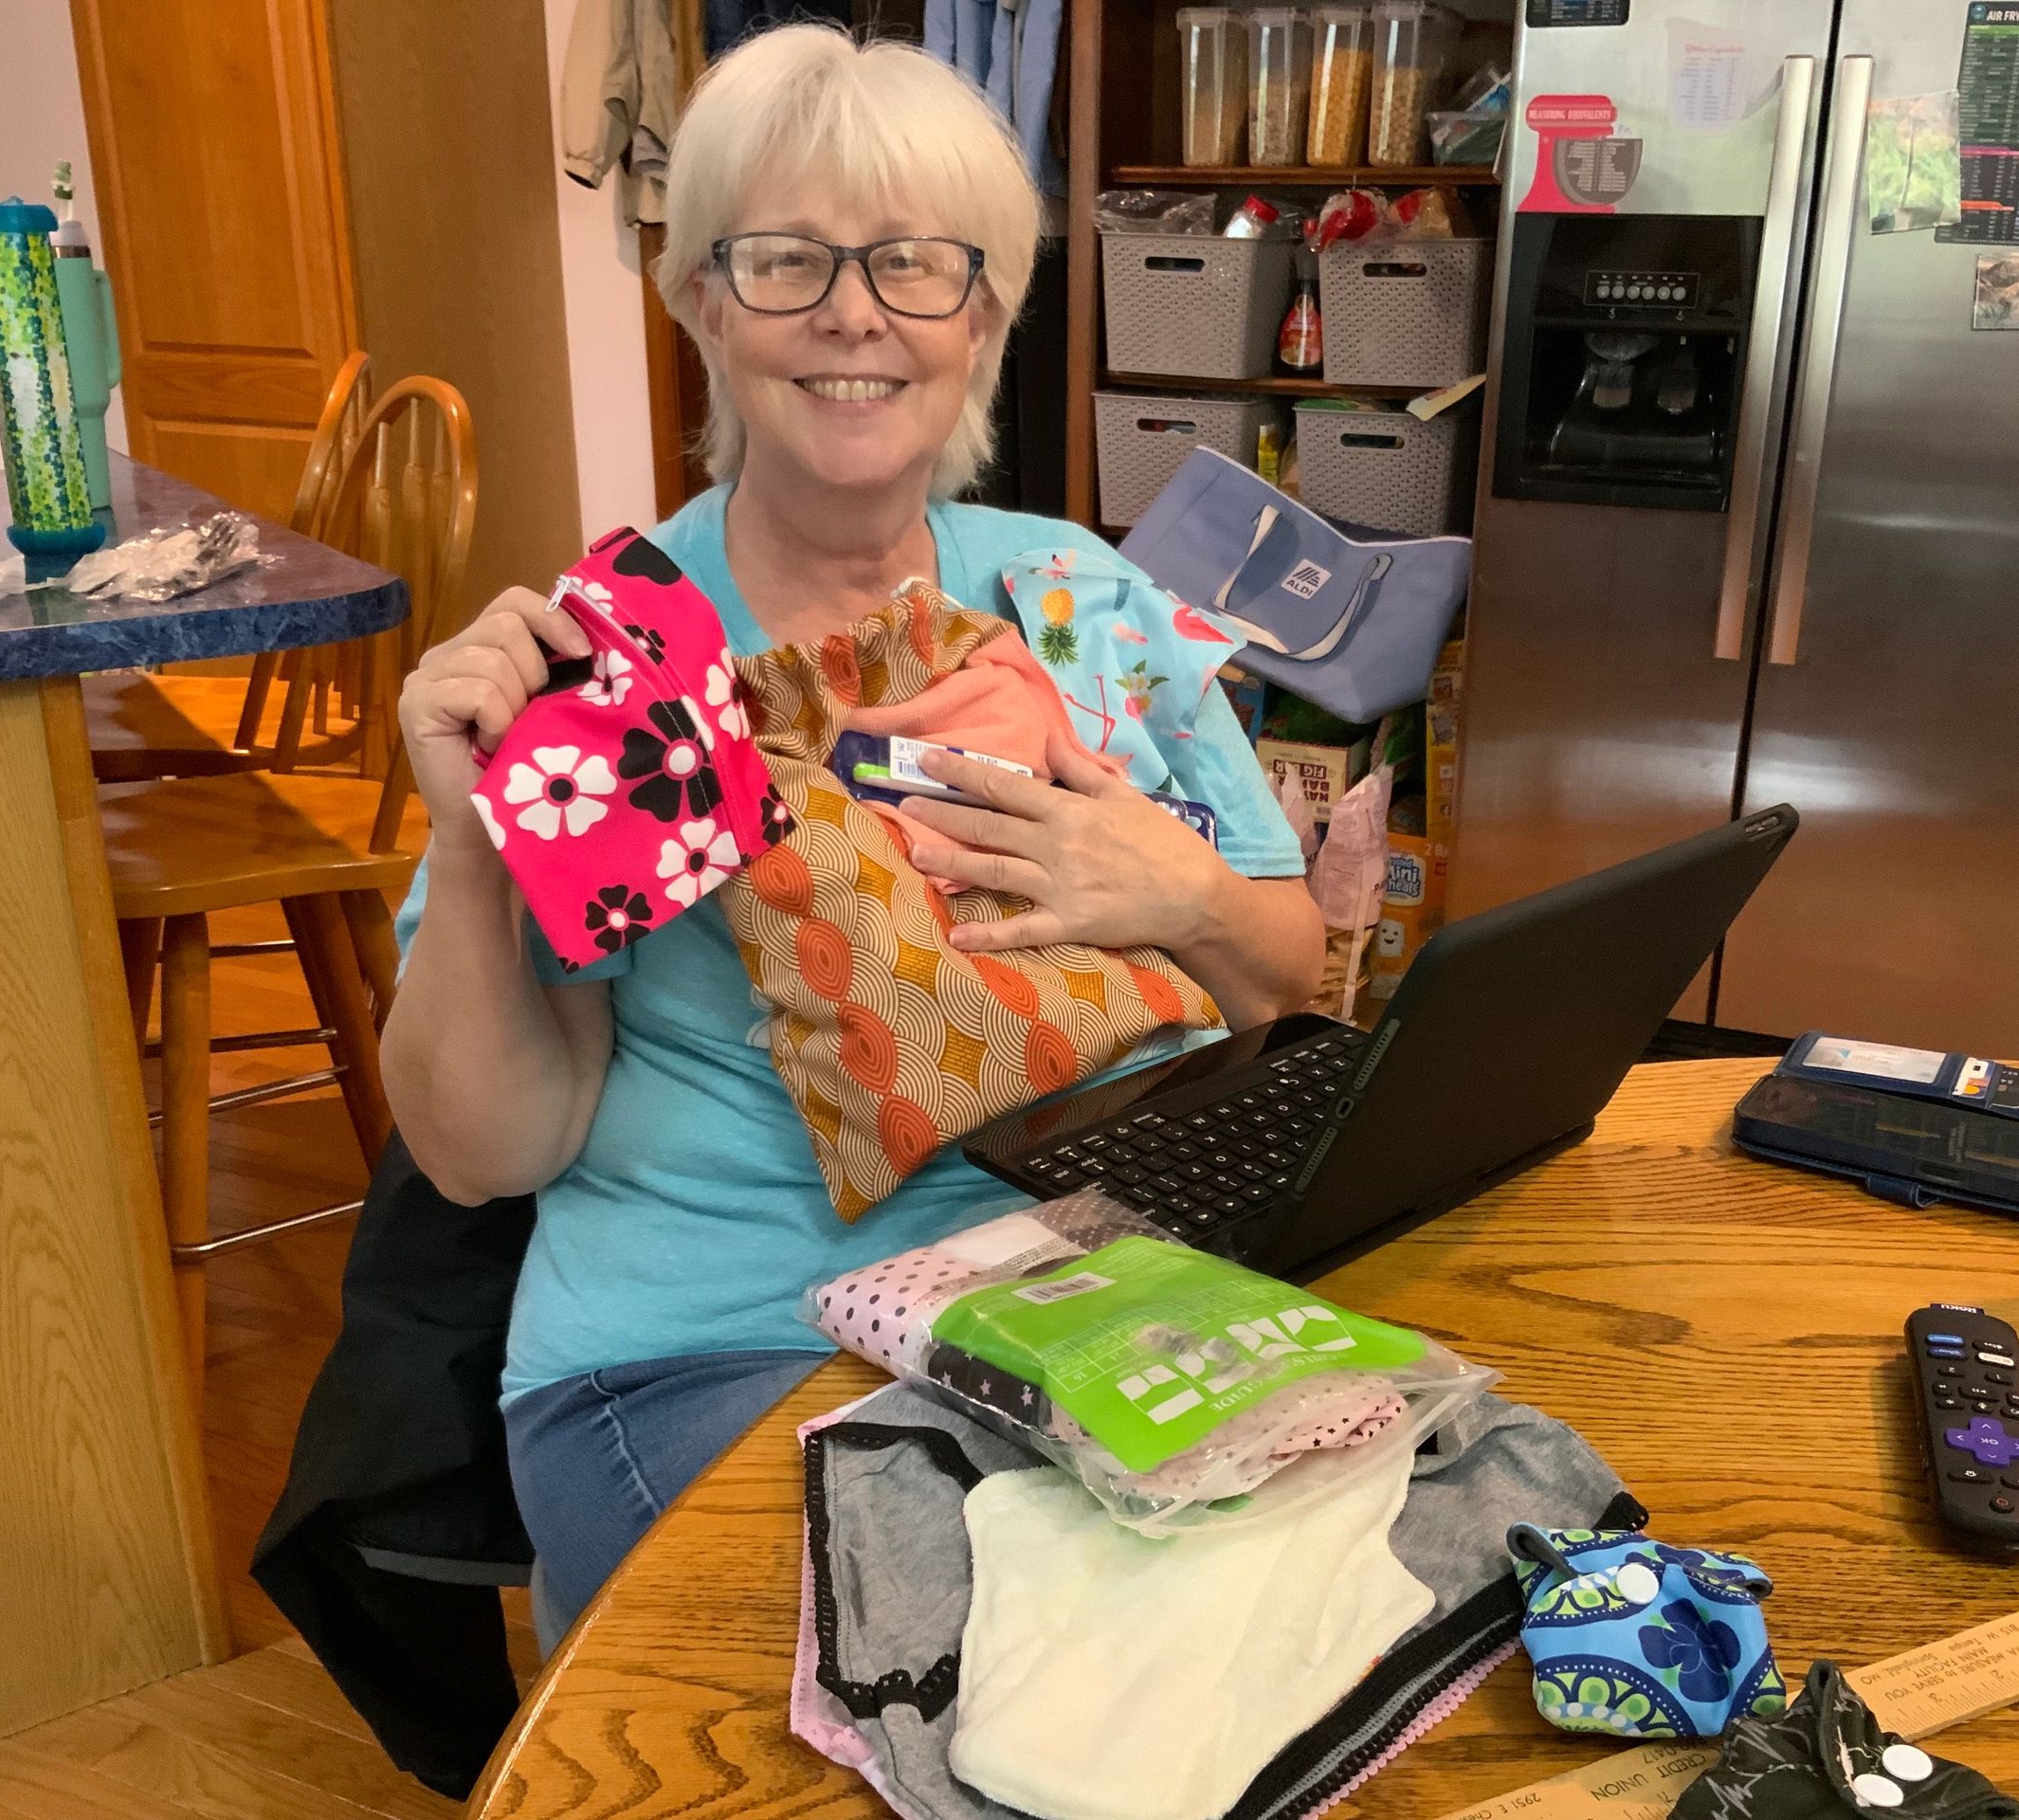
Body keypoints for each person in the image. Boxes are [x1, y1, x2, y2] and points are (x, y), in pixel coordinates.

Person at [380, 24, 1325, 1642]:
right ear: (699, 306)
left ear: (986, 315)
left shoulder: (1073, 597)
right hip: (711, 1340)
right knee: (980, 1668)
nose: (851, 313)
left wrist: (1175, 888)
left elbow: (1287, 982)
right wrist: (476, 837)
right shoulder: (609, 663)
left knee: (1327, 1609)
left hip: (1094, 1288)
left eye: (913, 265)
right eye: (783, 262)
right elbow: (485, 1152)